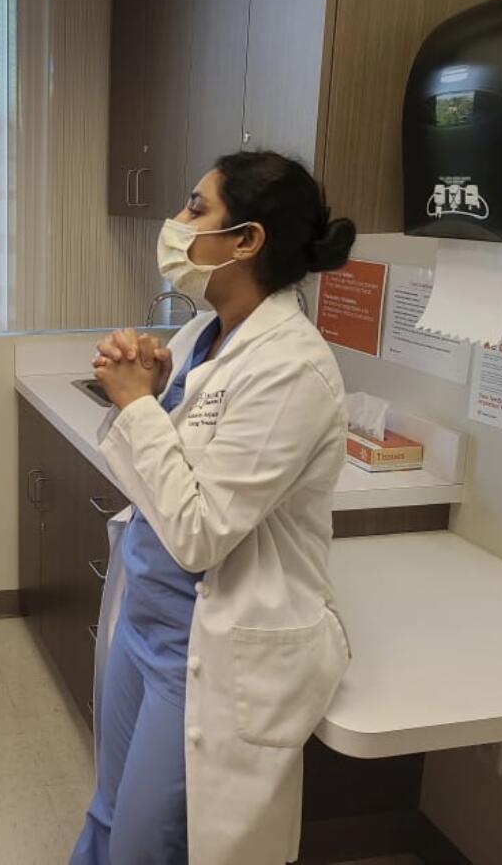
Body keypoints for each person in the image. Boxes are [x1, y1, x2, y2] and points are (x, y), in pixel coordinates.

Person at [71, 151, 357, 865]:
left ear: (247, 240)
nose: (177, 222)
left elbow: (200, 534)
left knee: (146, 844)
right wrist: (162, 385)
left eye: (196, 208)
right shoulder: (206, 333)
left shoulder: (293, 367)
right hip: (145, 619)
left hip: (203, 649)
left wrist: (138, 404)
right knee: (107, 813)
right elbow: (160, 474)